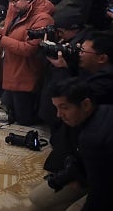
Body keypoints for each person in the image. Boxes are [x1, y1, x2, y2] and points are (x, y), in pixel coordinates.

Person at [30, 78, 113, 211]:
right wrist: (65, 178)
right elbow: (77, 157)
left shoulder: (93, 138)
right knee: (37, 198)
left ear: (86, 104)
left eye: (64, 108)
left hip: (104, 187)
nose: (59, 114)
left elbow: (100, 195)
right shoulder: (95, 112)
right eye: (56, 108)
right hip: (92, 175)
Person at [0, 0, 54, 125]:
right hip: (11, 68)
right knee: (10, 108)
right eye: (10, 1)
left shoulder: (43, 19)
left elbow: (28, 49)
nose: (12, 5)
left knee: (24, 120)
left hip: (25, 73)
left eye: (15, 1)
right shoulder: (17, 12)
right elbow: (11, 35)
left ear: (29, 0)